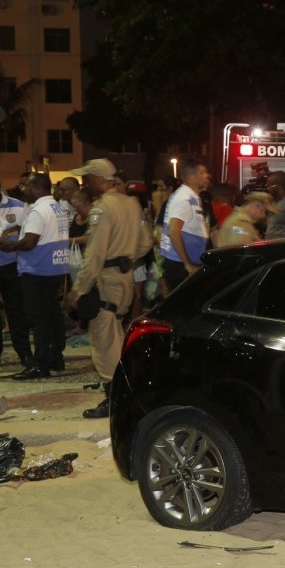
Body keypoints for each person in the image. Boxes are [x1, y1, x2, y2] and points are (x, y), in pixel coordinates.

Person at [66, 159, 152, 419]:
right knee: (116, 336)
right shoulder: (132, 204)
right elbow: (146, 243)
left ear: (100, 180)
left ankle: (115, 399)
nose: (85, 183)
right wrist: (126, 257)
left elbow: (95, 254)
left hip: (106, 280)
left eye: (88, 178)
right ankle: (126, 394)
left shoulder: (102, 209)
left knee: (104, 342)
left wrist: (78, 289)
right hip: (125, 279)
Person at [0, 171, 69, 381]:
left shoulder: (38, 210)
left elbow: (30, 242)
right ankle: (55, 357)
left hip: (38, 270)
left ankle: (40, 364)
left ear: (37, 188)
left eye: (26, 186)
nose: (23, 189)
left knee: (39, 319)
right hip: (55, 267)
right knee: (53, 315)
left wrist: (10, 246)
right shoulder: (55, 207)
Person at [0, 169, 33, 370]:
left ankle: (24, 354)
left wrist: (12, 232)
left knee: (16, 312)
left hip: (11, 265)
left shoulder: (17, 206)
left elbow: (29, 230)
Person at [159, 158, 210, 292]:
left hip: (182, 263)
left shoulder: (191, 197)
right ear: (191, 177)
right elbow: (173, 232)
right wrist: (188, 265)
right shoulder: (184, 198)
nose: (207, 176)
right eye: (202, 172)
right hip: (181, 265)